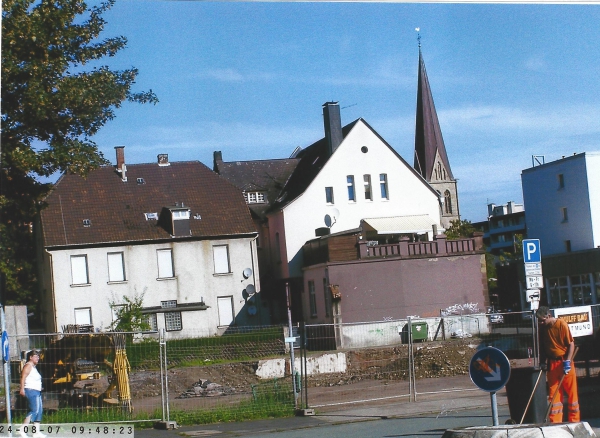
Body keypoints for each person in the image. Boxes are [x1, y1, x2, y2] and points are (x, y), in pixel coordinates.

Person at [536, 306, 580, 423]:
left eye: (542, 320)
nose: (541, 323)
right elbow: (543, 346)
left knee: (572, 394)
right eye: (539, 321)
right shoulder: (543, 328)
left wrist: (567, 361)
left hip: (564, 361)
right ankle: (555, 423)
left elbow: (571, 344)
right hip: (552, 363)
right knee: (553, 395)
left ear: (549, 316)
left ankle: (574, 422)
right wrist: (542, 361)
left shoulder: (561, 325)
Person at [18, 349, 45, 438]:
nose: (38, 358)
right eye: (36, 356)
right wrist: (22, 389)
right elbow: (23, 378)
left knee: (39, 411)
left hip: (36, 390)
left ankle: (36, 432)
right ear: (30, 357)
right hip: (31, 390)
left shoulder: (33, 367)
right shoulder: (28, 366)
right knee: (34, 410)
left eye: (38, 356)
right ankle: (22, 430)